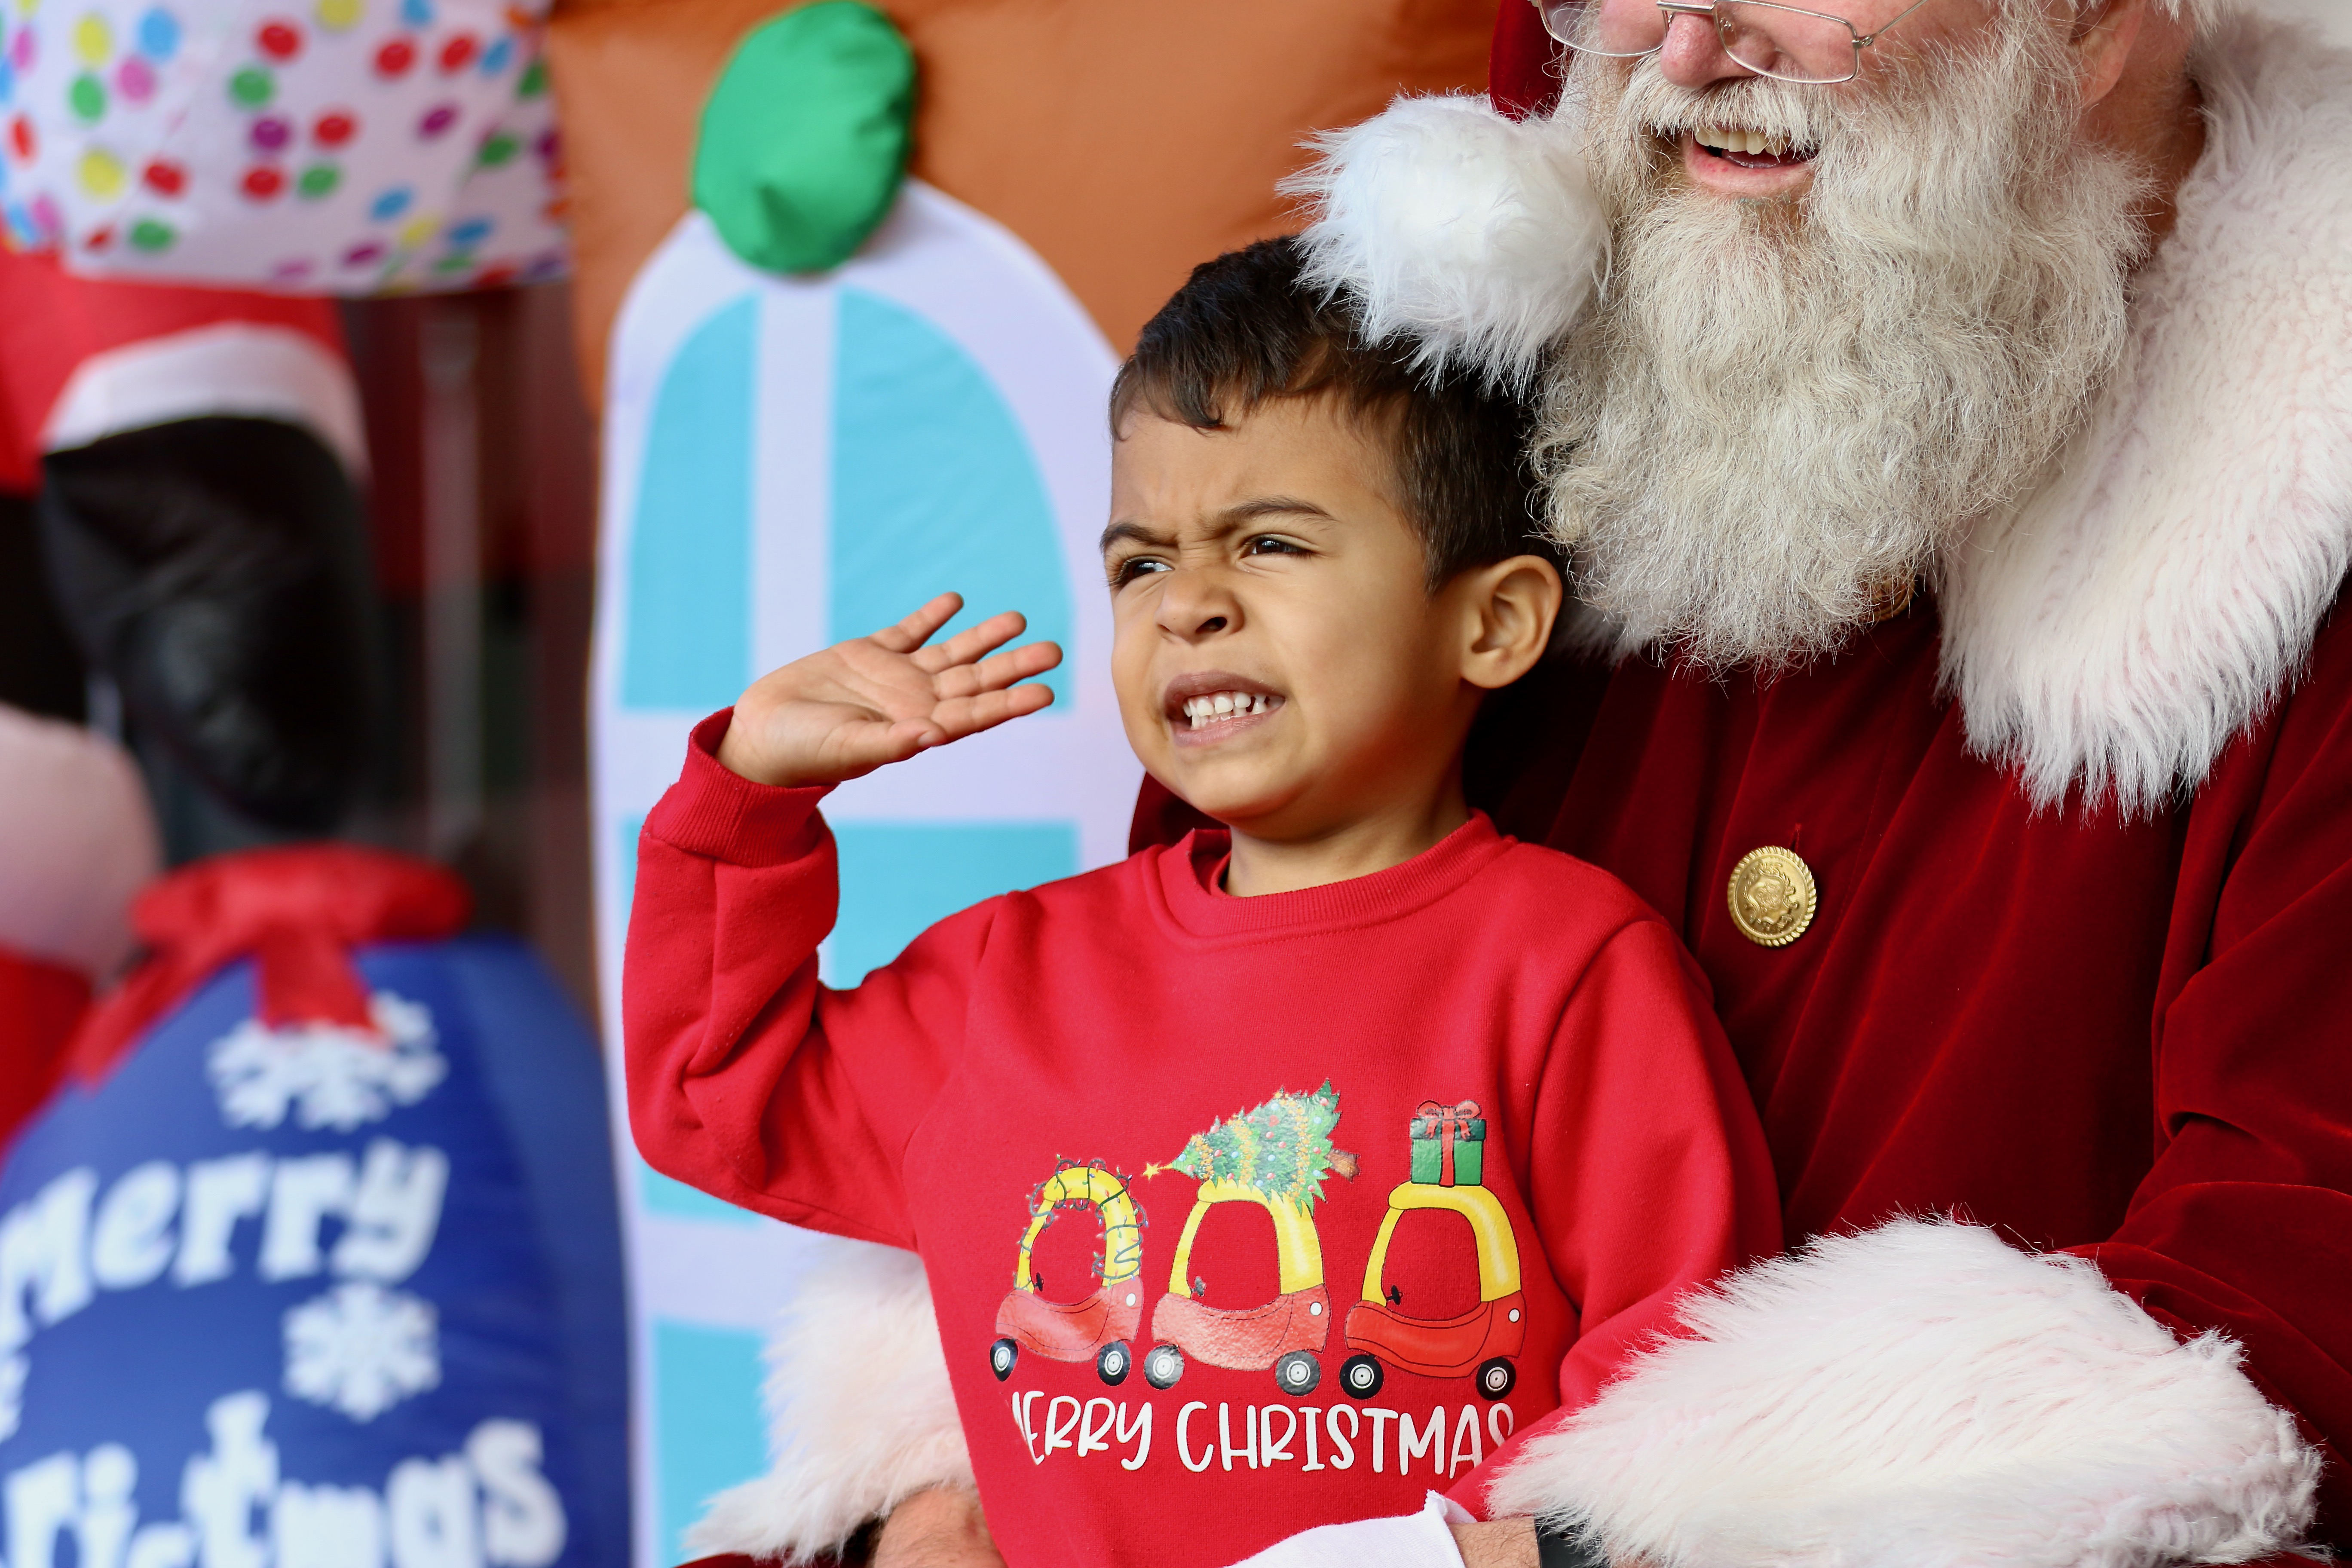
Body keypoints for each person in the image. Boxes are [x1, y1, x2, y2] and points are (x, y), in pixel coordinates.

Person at [714, 0, 2352, 1566]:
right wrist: (949, 1493)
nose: (1693, 45)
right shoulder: (1440, 405)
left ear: (2099, 11)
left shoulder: (2308, 550)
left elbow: (2274, 1334)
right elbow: (1138, 1057)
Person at [624, 239, 1781, 1567]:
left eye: (1270, 541)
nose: (1189, 609)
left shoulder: (1575, 969)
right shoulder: (1013, 973)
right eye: (1138, 565)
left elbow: (1677, 1406)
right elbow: (714, 1092)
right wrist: (751, 796)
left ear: (1494, 625)